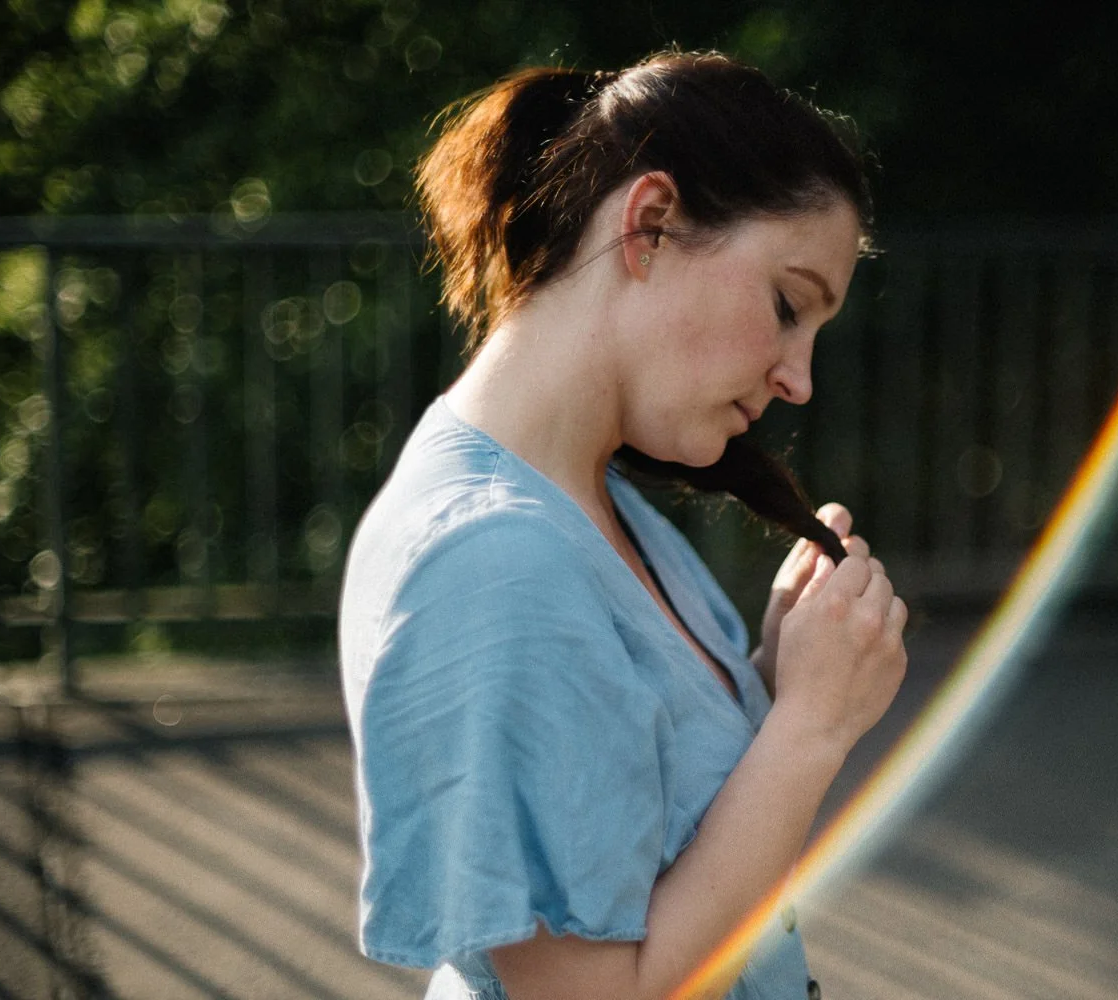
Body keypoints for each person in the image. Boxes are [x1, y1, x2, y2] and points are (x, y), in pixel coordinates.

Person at [338, 49, 908, 1000]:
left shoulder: (591, 504)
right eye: (786, 305)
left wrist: (773, 677)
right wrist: (811, 726)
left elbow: (659, 830)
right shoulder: (492, 562)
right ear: (649, 226)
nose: (797, 379)